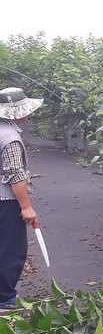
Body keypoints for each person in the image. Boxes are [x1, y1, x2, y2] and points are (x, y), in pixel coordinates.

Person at [0, 88, 43, 312]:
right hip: (5, 201)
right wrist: (26, 207)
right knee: (11, 249)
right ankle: (4, 299)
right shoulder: (10, 138)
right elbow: (15, 175)